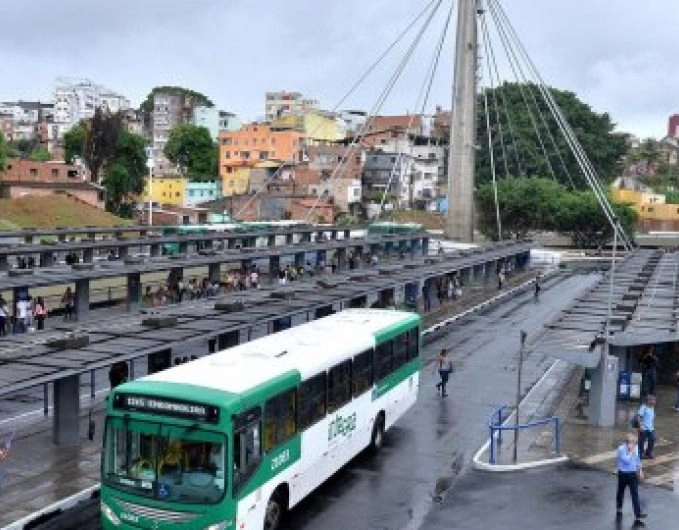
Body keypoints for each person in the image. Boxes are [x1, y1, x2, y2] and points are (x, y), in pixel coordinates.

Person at [616, 432, 646, 527]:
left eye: (635, 443)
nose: (634, 445)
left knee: (635, 493)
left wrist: (640, 470)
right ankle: (619, 506)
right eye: (632, 443)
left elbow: (637, 460)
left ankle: (638, 514)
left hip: (632, 475)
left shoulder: (636, 447)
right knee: (621, 491)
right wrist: (631, 451)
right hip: (623, 474)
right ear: (627, 443)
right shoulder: (621, 449)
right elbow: (627, 460)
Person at [637, 395, 656, 459]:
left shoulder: (652, 408)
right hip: (643, 428)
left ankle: (648, 452)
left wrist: (652, 426)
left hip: (651, 428)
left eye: (654, 400)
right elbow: (639, 417)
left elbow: (652, 418)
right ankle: (641, 453)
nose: (654, 402)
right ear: (648, 401)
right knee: (641, 441)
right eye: (652, 400)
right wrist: (640, 427)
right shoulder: (643, 407)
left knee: (652, 439)